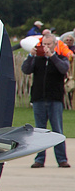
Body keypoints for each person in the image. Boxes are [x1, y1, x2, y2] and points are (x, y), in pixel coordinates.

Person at [22, 33, 69, 168]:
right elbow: (26, 70)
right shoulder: (37, 59)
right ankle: (39, 159)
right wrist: (31, 55)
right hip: (39, 99)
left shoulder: (60, 58)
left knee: (57, 130)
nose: (46, 47)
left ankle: (61, 159)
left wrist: (52, 56)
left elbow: (63, 69)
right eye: (44, 44)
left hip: (55, 99)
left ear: (55, 44)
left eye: (49, 44)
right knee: (39, 130)